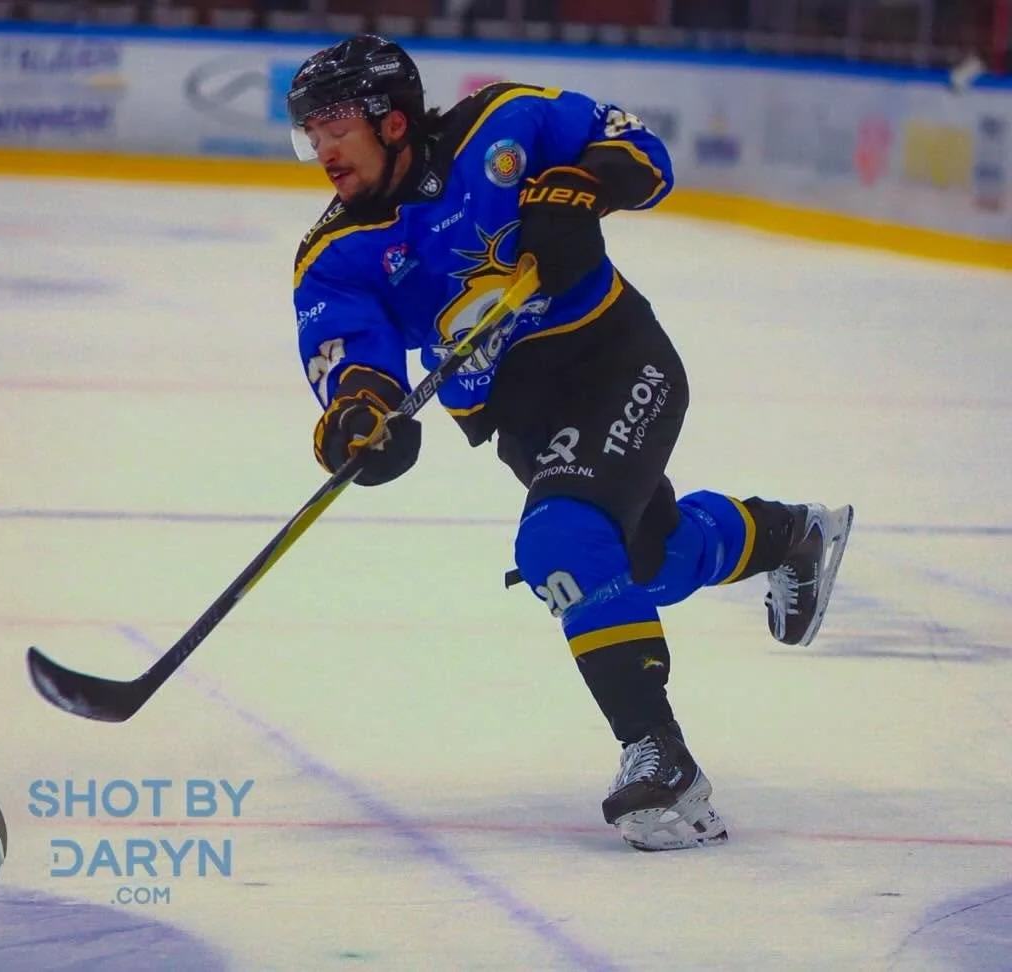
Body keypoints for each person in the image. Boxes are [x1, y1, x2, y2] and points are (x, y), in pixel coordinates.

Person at [286, 34, 854, 851]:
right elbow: (351, 366)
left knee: (561, 538)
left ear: (395, 119)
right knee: (646, 561)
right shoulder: (335, 255)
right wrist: (359, 421)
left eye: (337, 126)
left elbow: (642, 152)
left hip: (617, 359)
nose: (323, 150)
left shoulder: (505, 124)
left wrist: (582, 185)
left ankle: (662, 761)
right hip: (526, 425)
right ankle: (792, 534)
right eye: (312, 133)